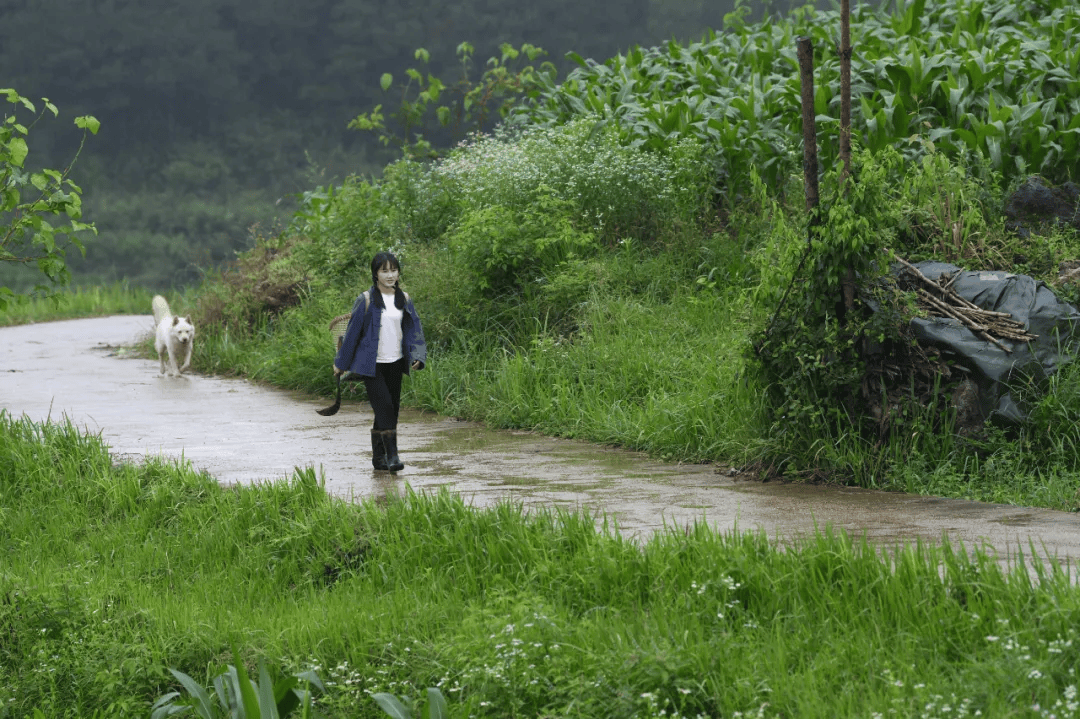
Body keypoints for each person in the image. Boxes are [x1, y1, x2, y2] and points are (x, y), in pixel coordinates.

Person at [333, 251, 427, 471]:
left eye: (393, 270)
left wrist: (418, 356)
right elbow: (352, 334)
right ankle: (393, 457)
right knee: (384, 406)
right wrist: (341, 363)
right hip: (371, 365)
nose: (390, 275)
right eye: (384, 270)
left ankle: (378, 458)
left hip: (396, 362)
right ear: (375, 274)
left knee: (391, 408)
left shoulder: (404, 299)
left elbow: (415, 330)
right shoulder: (365, 300)